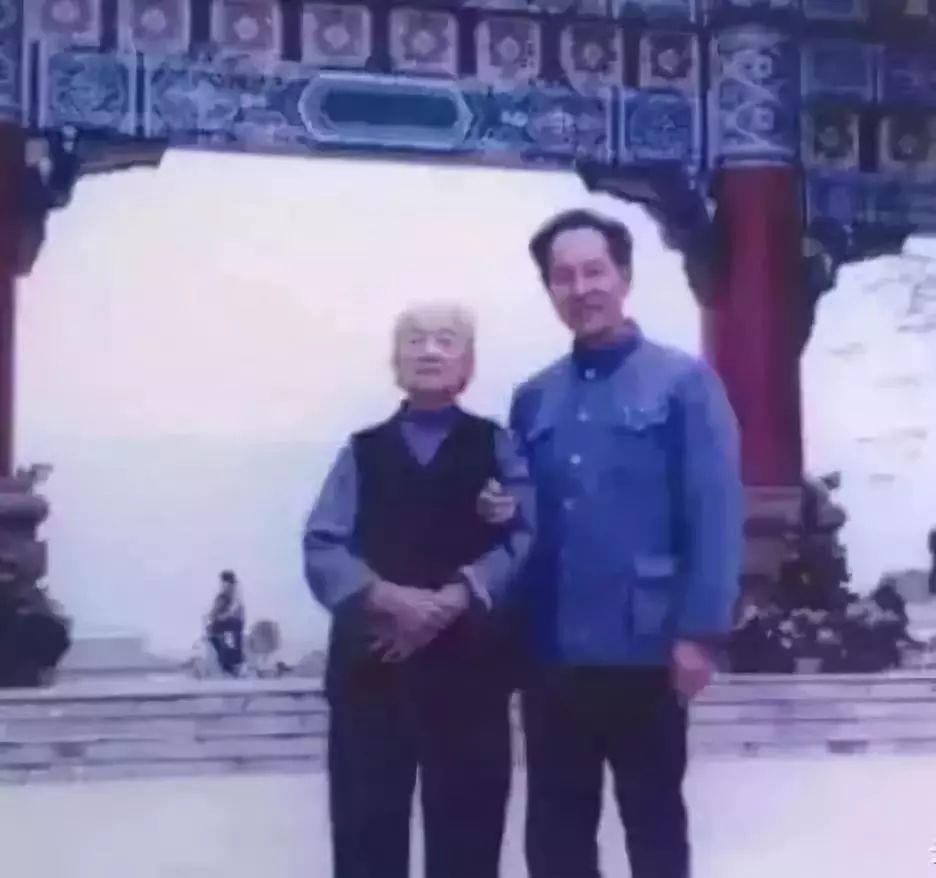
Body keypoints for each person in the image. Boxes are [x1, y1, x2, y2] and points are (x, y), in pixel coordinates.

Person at [494, 209, 743, 878]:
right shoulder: (533, 398)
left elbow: (715, 511)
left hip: (648, 646)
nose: (581, 289)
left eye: (594, 271)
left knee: (653, 825)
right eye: (563, 277)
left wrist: (700, 633)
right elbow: (522, 521)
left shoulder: (684, 383)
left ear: (624, 277)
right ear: (549, 289)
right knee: (555, 834)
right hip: (551, 650)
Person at [303, 302, 534, 878]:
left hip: (470, 673)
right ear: (394, 361)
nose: (429, 351)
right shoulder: (361, 451)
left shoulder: (496, 446)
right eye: (414, 340)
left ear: (468, 364)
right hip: (372, 671)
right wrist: (386, 598)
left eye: (446, 340)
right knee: (365, 836)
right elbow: (323, 544)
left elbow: (526, 536)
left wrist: (457, 596)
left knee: (468, 839)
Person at [206, 570, 245, 676]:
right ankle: (229, 665)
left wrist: (223, 616)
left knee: (229, 639)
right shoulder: (223, 597)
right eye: (225, 583)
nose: (225, 585)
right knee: (220, 637)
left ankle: (230, 665)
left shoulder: (232, 597)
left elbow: (233, 611)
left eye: (227, 583)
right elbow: (213, 614)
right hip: (224, 627)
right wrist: (217, 617)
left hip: (230, 627)